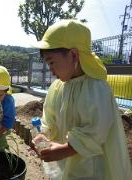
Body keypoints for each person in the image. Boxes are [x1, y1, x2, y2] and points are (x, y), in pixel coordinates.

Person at [31, 19, 132, 179]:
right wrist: (43, 133)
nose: (50, 70)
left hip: (89, 168)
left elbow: (96, 130)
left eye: (52, 62)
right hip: (64, 164)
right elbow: (48, 116)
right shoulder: (57, 87)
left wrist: (65, 150)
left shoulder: (97, 88)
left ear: (73, 55)